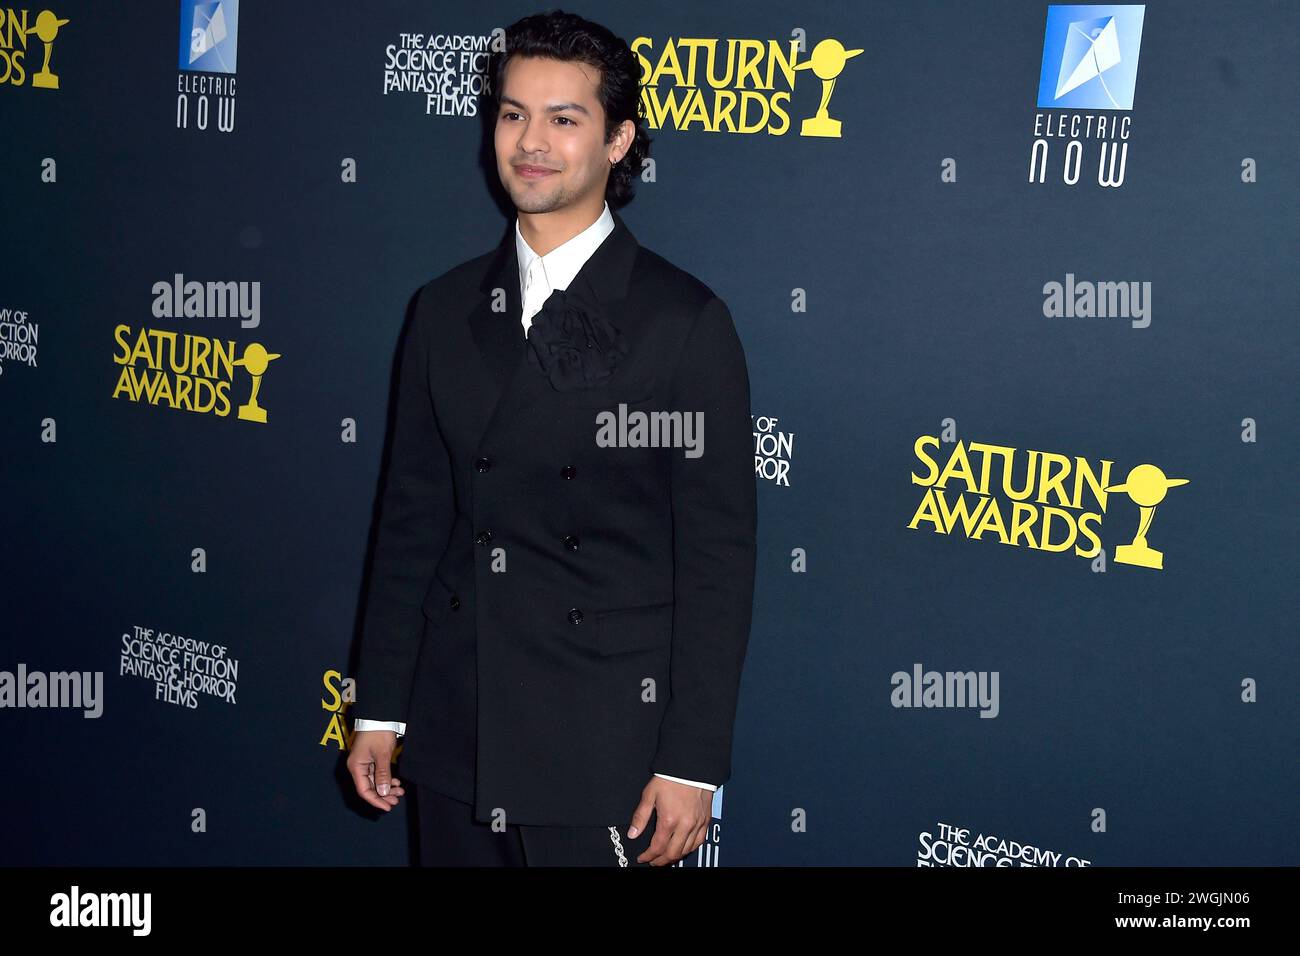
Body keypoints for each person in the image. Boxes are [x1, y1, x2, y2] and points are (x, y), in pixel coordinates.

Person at [346, 9, 756, 866]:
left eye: (564, 118)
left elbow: (717, 559)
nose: (530, 142)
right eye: (512, 113)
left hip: (608, 743)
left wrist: (692, 760)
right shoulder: (443, 308)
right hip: (462, 726)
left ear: (618, 141)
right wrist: (382, 708)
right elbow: (412, 523)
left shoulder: (680, 321)